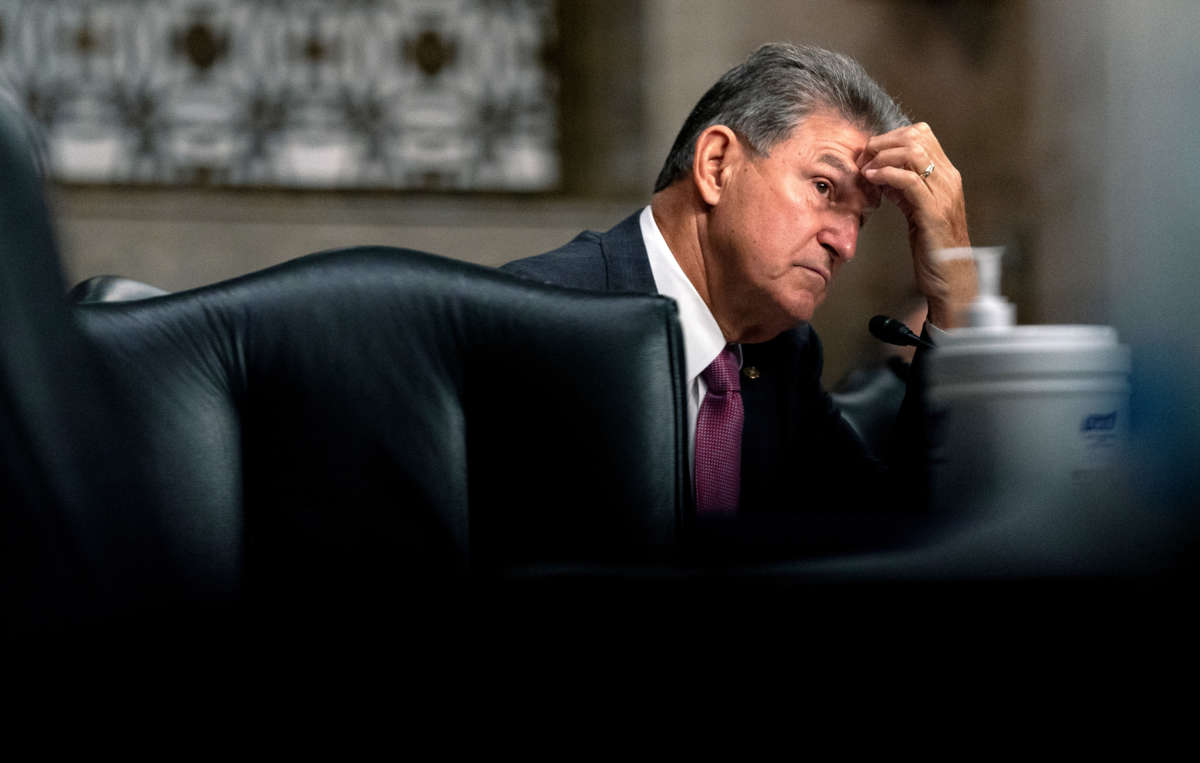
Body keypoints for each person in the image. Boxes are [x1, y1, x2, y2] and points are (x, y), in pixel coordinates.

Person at [501, 43, 974, 551]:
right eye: (823, 187)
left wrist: (957, 294)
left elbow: (896, 534)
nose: (847, 244)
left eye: (859, 218)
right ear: (717, 164)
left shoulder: (782, 356)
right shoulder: (536, 318)